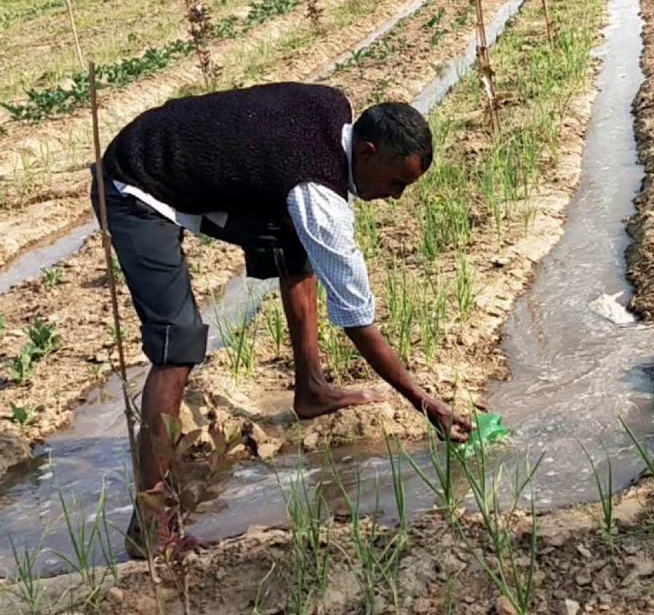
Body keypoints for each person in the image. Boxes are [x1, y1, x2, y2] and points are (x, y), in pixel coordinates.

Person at [91, 81, 473, 558]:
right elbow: (357, 319)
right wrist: (424, 402)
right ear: (369, 152)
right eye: (396, 183)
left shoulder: (337, 109)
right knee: (179, 342)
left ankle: (311, 389)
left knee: (296, 232)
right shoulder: (317, 190)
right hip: (136, 183)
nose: (395, 197)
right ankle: (152, 527)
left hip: (178, 153)